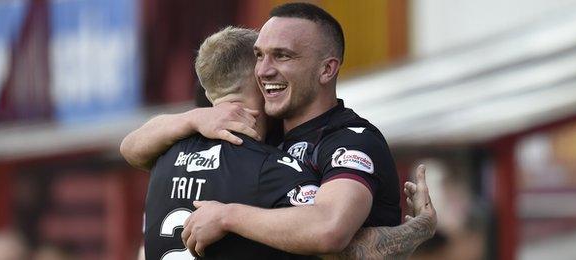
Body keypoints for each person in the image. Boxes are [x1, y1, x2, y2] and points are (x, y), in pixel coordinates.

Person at [121, 3, 437, 258]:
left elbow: (329, 230)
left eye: (282, 56)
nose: (265, 69)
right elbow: (131, 148)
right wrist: (191, 119)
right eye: (259, 55)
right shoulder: (255, 137)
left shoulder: (351, 139)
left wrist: (228, 217)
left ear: (326, 68)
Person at [144, 26, 321, 259]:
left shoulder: (162, 156)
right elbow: (326, 233)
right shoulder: (275, 169)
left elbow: (129, 148)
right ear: (260, 82)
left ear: (208, 93)